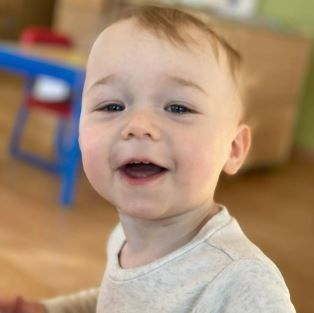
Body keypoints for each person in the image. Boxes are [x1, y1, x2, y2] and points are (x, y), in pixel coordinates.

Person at [0, 5, 296, 313]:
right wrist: (46, 310)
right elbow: (116, 302)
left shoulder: (242, 283)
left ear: (233, 148)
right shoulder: (124, 236)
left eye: (178, 108)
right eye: (112, 106)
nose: (138, 126)